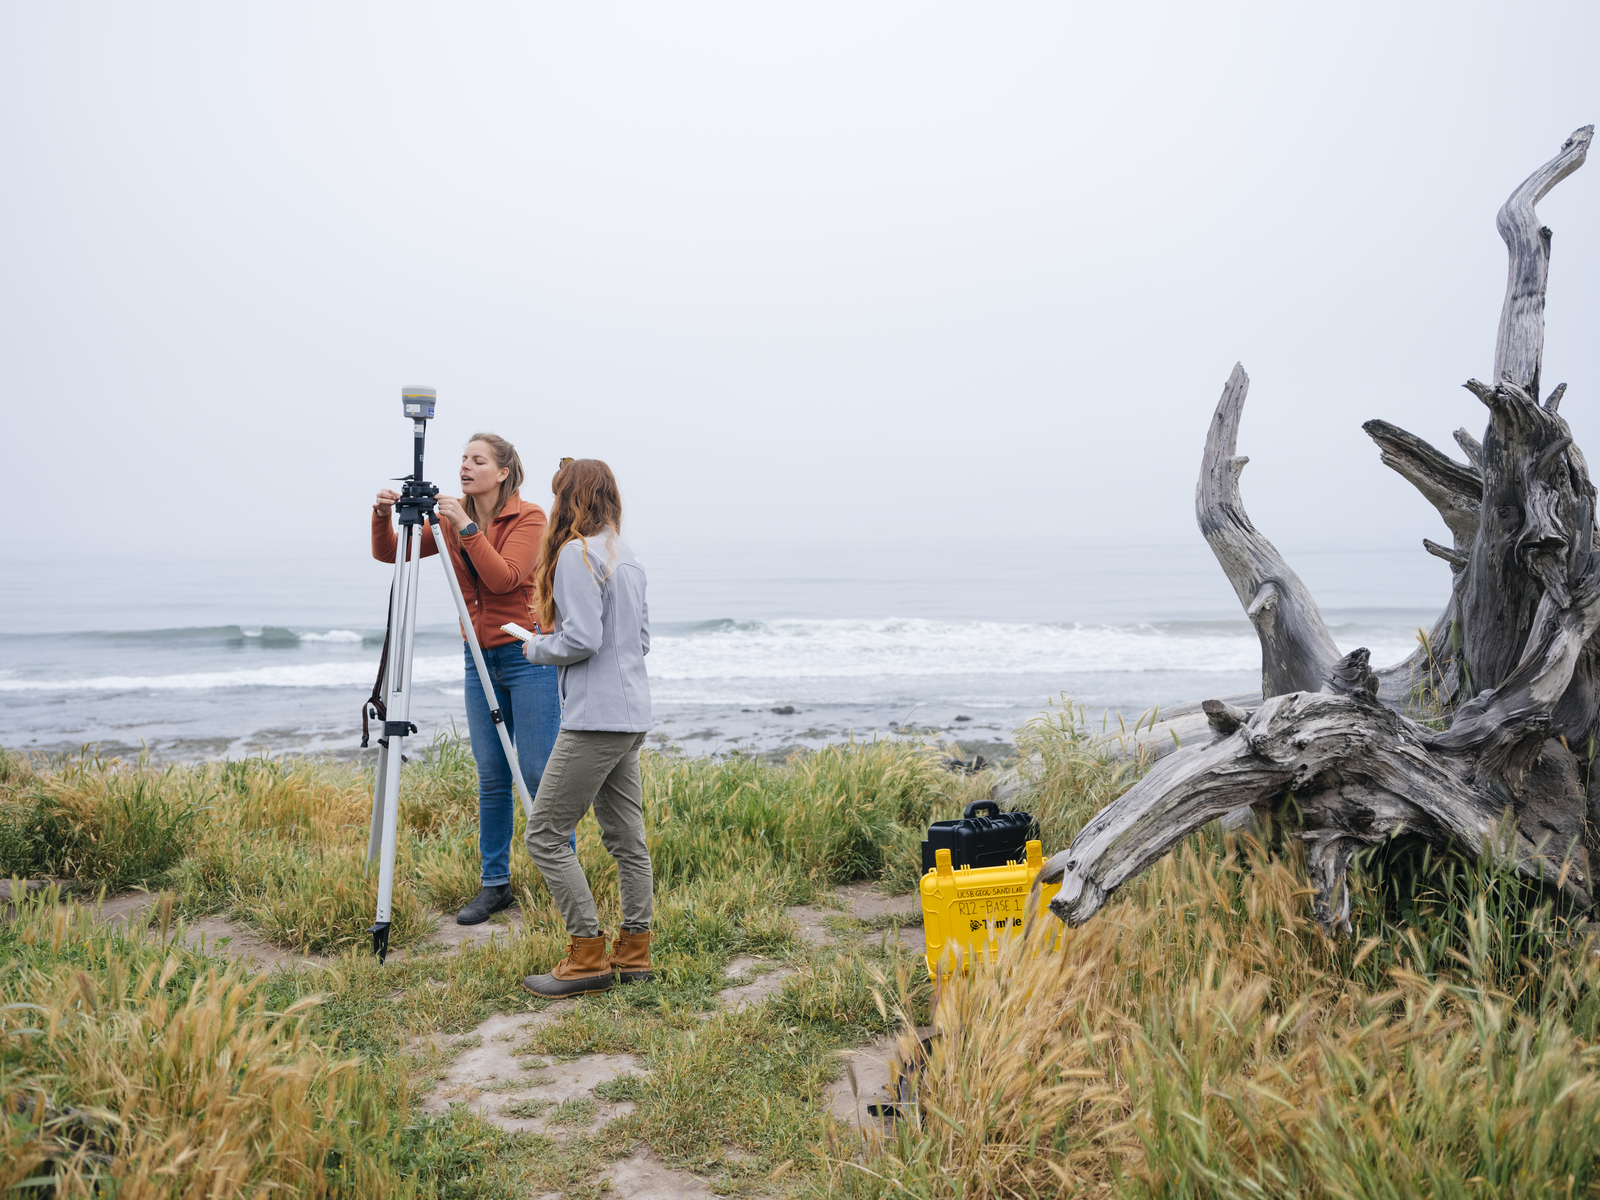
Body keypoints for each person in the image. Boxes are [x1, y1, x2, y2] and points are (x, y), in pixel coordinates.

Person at [371, 433, 567, 926]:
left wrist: (465, 529)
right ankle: (495, 885)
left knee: (540, 771)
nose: (465, 467)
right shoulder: (449, 518)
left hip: (528, 655)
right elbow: (392, 554)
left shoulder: (530, 517)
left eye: (477, 460)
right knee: (492, 774)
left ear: (502, 472)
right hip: (476, 658)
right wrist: (380, 516)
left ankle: (563, 875)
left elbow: (505, 578)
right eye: (462, 459)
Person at [519, 459, 654, 997]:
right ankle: (635, 950)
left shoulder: (577, 554)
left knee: (545, 834)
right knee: (627, 840)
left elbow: (581, 640)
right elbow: (638, 643)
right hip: (630, 716)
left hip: (594, 720)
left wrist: (534, 648)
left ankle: (587, 954)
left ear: (567, 501)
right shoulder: (628, 557)